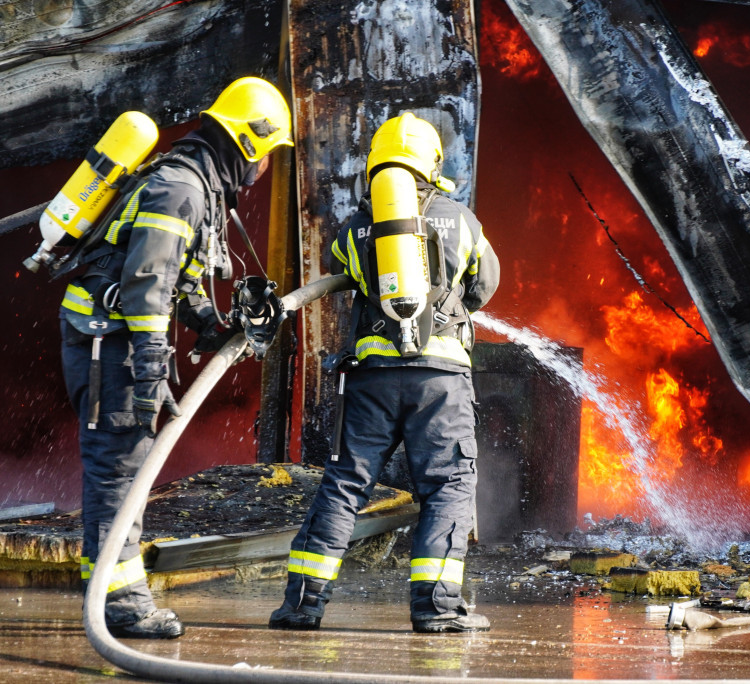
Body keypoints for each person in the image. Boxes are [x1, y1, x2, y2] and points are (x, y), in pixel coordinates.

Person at [59, 76, 293, 639]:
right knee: (120, 470)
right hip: (108, 343)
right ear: (248, 144)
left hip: (112, 337)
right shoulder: (181, 189)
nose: (264, 170)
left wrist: (209, 326)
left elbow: (179, 277)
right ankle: (123, 605)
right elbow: (146, 284)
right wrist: (150, 366)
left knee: (123, 466)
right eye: (265, 156)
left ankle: (109, 588)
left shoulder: (197, 186)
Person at [269, 112, 501, 634]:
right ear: (432, 163)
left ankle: (302, 606)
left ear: (377, 164)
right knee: (446, 487)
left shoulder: (359, 226)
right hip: (439, 382)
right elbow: (485, 284)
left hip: (372, 379)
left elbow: (343, 268)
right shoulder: (461, 219)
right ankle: (437, 610)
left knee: (345, 485)